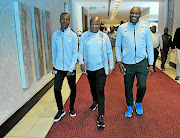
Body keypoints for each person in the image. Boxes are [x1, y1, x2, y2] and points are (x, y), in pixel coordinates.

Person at [115, 6, 154, 118]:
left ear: (140, 15)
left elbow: (149, 46)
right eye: (132, 13)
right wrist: (119, 61)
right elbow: (117, 45)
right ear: (129, 14)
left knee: (142, 86)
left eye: (136, 13)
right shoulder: (122, 28)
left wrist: (150, 64)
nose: (134, 15)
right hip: (127, 63)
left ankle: (138, 102)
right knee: (128, 86)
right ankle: (129, 106)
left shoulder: (145, 28)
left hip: (142, 62)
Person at [78, 17, 114, 128]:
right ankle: (95, 101)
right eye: (92, 24)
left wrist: (111, 66)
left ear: (100, 25)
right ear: (90, 24)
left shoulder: (104, 37)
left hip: (101, 69)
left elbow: (109, 52)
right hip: (89, 69)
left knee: (100, 90)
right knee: (93, 88)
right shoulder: (84, 36)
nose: (94, 26)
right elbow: (80, 52)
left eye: (96, 24)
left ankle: (101, 115)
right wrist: (81, 63)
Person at [52, 13, 78, 122]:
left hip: (69, 69)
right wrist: (54, 66)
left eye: (67, 19)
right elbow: (54, 51)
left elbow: (75, 53)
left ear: (69, 21)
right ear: (60, 19)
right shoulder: (55, 35)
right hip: (58, 68)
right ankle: (60, 110)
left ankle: (71, 108)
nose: (65, 21)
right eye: (63, 19)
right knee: (56, 89)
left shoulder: (72, 35)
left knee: (73, 88)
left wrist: (71, 68)